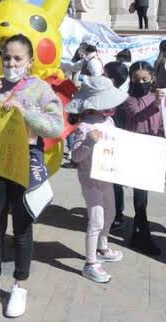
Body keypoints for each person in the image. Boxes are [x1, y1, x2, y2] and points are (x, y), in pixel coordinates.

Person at [0, 34, 63, 317]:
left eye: (18, 58)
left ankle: (19, 285)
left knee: (22, 226)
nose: (11, 63)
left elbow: (56, 127)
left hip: (24, 161)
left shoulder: (41, 89)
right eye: (6, 57)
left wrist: (25, 113)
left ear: (30, 61)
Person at [68, 76, 127, 283]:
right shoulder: (83, 127)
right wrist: (88, 144)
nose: (112, 108)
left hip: (107, 176)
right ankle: (90, 263)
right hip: (90, 179)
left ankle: (102, 247)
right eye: (107, 105)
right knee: (96, 220)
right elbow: (75, 157)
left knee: (110, 213)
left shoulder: (109, 121)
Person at [124, 61, 166, 255]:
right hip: (136, 149)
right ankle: (144, 234)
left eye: (145, 79)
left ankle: (138, 233)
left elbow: (163, 121)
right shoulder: (130, 99)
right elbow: (138, 117)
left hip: (154, 149)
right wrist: (156, 104)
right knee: (140, 196)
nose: (141, 82)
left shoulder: (157, 96)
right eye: (136, 79)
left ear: (152, 79)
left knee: (145, 195)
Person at [102, 61, 130, 232]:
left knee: (115, 183)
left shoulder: (121, 98)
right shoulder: (102, 95)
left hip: (116, 143)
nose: (101, 77)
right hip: (103, 143)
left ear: (112, 78)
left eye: (104, 74)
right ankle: (108, 212)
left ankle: (117, 215)